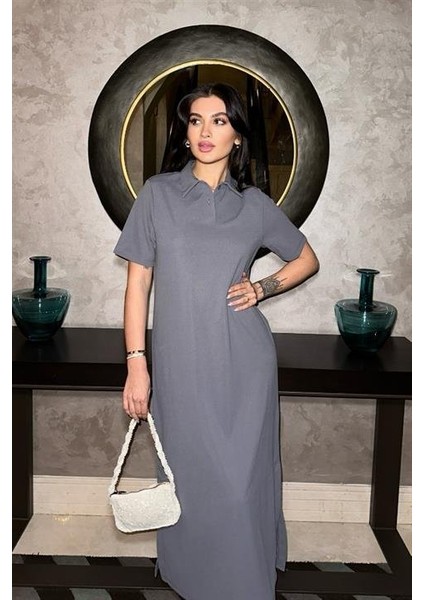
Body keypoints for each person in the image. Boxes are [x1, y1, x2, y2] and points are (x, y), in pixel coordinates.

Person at [114, 82, 319, 600]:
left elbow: (306, 259)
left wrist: (262, 288)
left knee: (239, 484)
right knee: (189, 479)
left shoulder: (254, 205)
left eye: (220, 120)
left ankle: (246, 584)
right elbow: (138, 284)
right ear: (185, 134)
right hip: (179, 364)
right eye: (196, 120)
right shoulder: (157, 194)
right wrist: (136, 363)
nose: (206, 131)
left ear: (237, 136)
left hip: (244, 363)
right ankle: (193, 580)